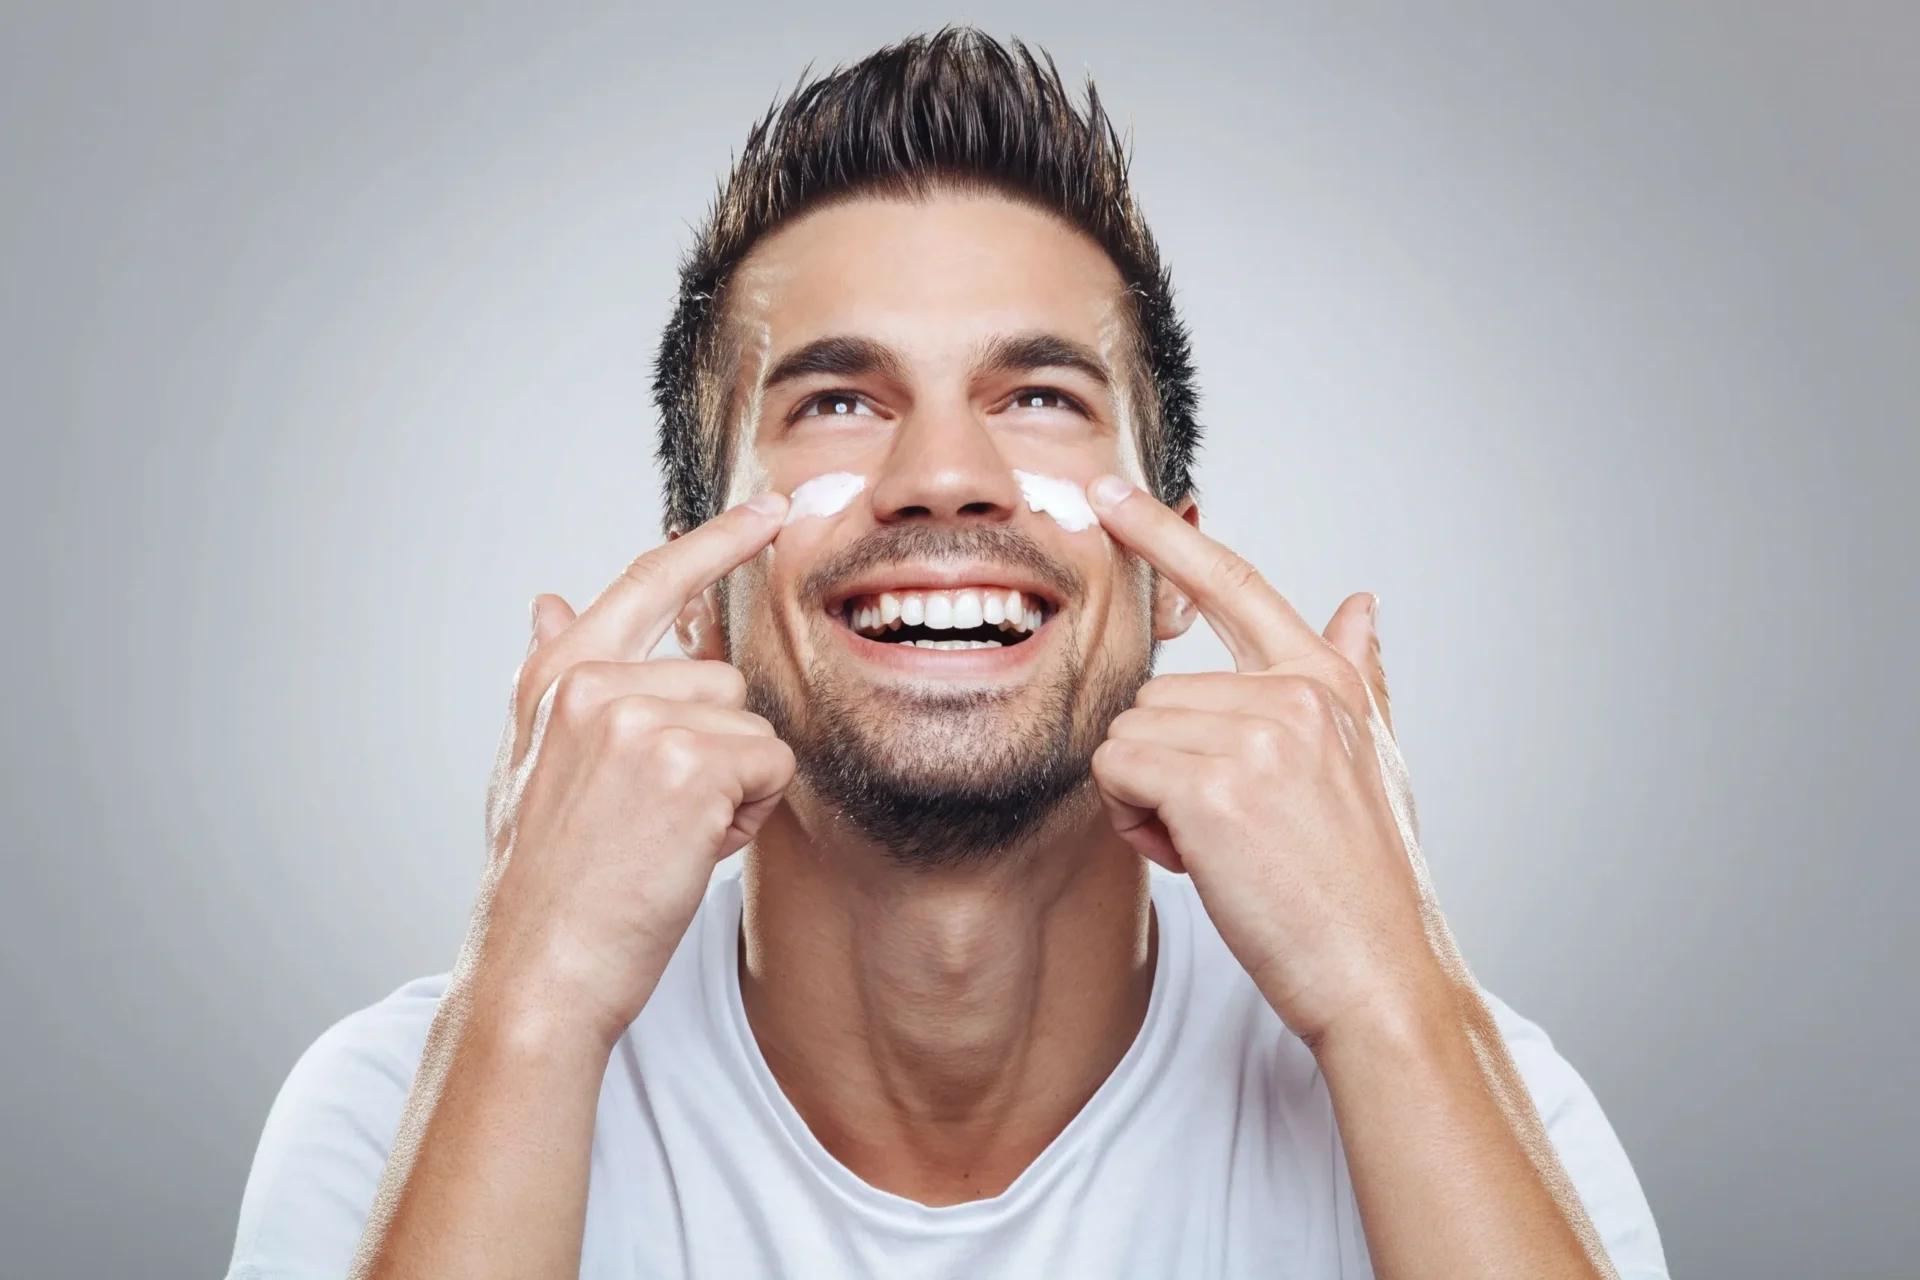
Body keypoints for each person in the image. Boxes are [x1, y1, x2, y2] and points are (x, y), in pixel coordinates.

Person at [227, 29, 1667, 1280]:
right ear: (693, 586)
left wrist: (1393, 993)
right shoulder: (403, 1107)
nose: (944, 473)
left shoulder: (1478, 1112)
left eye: (1038, 393)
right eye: (838, 403)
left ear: (1172, 566)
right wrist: (529, 1001)